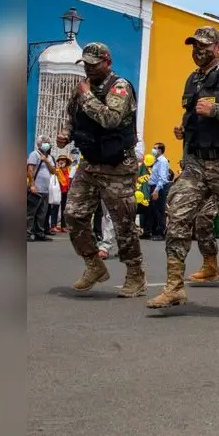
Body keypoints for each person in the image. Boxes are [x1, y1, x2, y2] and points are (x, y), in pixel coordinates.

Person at [146, 26, 219, 313]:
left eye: (204, 46)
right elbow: (193, 115)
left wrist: (217, 111)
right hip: (197, 164)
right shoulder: (193, 79)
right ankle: (174, 286)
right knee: (177, 215)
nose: (198, 51)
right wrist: (185, 129)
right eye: (194, 46)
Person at [56, 42, 146, 297]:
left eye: (93, 64)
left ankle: (135, 275)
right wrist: (66, 134)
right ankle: (94, 264)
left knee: (123, 223)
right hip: (90, 163)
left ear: (107, 62)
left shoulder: (120, 87)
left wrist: (85, 95)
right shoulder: (82, 90)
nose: (89, 69)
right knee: (73, 214)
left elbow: (111, 119)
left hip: (117, 165)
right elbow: (72, 120)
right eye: (85, 64)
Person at [27, 135, 56, 241]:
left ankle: (39, 232)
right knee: (31, 212)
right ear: (39, 143)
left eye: (48, 142)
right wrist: (32, 185)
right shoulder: (34, 154)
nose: (47, 143)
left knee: (42, 213)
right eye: (45, 142)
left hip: (45, 189)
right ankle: (27, 233)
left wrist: (47, 161)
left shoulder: (49, 157)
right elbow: (30, 170)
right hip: (36, 189)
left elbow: (53, 171)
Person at [147, 142, 170, 239]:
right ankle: (151, 231)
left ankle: (161, 233)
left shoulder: (162, 161)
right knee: (152, 210)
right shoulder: (156, 161)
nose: (153, 150)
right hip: (153, 187)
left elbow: (162, 178)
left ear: (160, 150)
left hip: (159, 188)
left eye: (155, 148)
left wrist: (156, 190)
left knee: (159, 211)